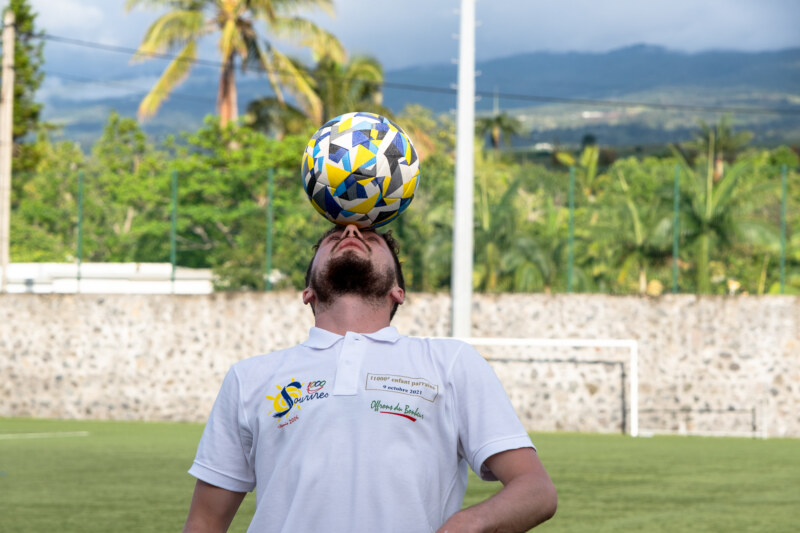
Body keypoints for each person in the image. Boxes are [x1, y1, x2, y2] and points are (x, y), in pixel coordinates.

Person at [182, 224, 557, 533]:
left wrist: (468, 523)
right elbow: (204, 523)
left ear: (398, 292)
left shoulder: (451, 362)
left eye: (372, 237)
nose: (350, 231)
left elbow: (536, 490)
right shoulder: (250, 377)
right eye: (335, 236)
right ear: (307, 292)